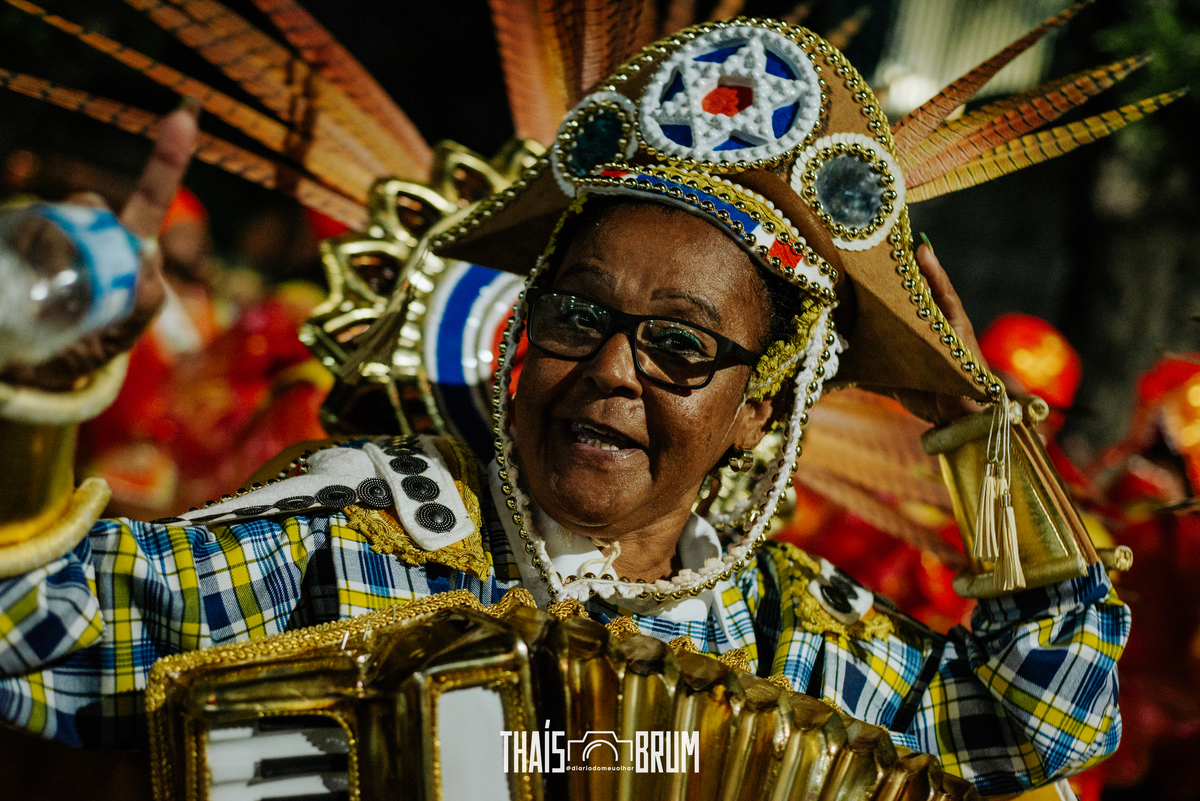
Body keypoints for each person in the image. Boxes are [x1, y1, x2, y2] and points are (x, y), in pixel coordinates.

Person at [0, 20, 1127, 799]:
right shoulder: (360, 546)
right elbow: (31, 631)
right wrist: (38, 381)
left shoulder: (799, 643)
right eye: (580, 315)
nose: (611, 371)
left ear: (758, 406)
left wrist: (980, 430)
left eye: (681, 346)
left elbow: (1041, 727)